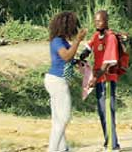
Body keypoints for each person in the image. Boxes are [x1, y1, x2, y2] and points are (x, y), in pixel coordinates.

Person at [45, 12, 86, 152]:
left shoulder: (62, 41)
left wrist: (78, 62)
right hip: (58, 81)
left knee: (58, 120)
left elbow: (67, 59)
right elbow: (67, 56)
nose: (74, 31)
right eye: (73, 27)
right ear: (66, 27)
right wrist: (78, 41)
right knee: (63, 119)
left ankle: (62, 149)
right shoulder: (57, 41)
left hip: (56, 80)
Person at [86, 10, 121, 151]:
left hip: (106, 79)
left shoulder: (110, 37)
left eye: (100, 20)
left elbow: (107, 64)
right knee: (102, 112)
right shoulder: (96, 36)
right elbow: (88, 47)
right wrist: (82, 56)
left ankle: (113, 145)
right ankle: (109, 142)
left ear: (106, 21)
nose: (97, 23)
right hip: (99, 79)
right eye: (95, 20)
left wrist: (95, 78)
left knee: (107, 111)